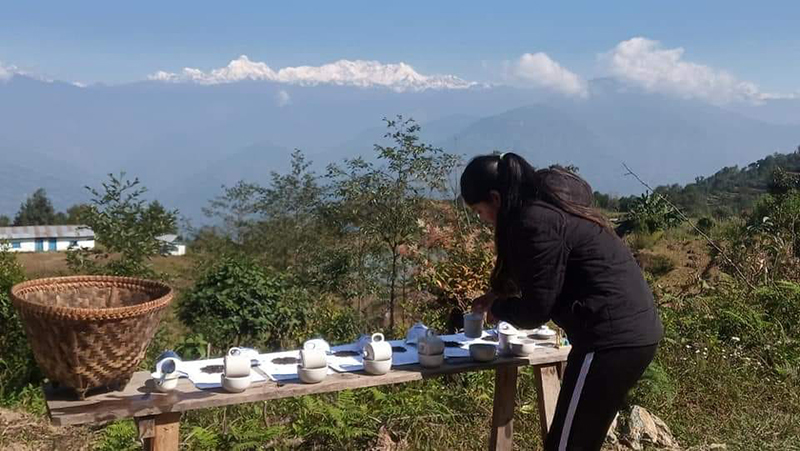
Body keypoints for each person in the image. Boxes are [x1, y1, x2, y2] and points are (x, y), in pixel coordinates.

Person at [462, 153, 663, 451]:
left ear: (495, 198)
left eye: (480, 211)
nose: (483, 220)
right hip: (629, 332)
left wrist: (498, 309)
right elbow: (543, 271)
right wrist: (497, 295)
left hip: (609, 338)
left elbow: (535, 311)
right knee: (576, 442)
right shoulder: (548, 207)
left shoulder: (533, 221)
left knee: (566, 446)